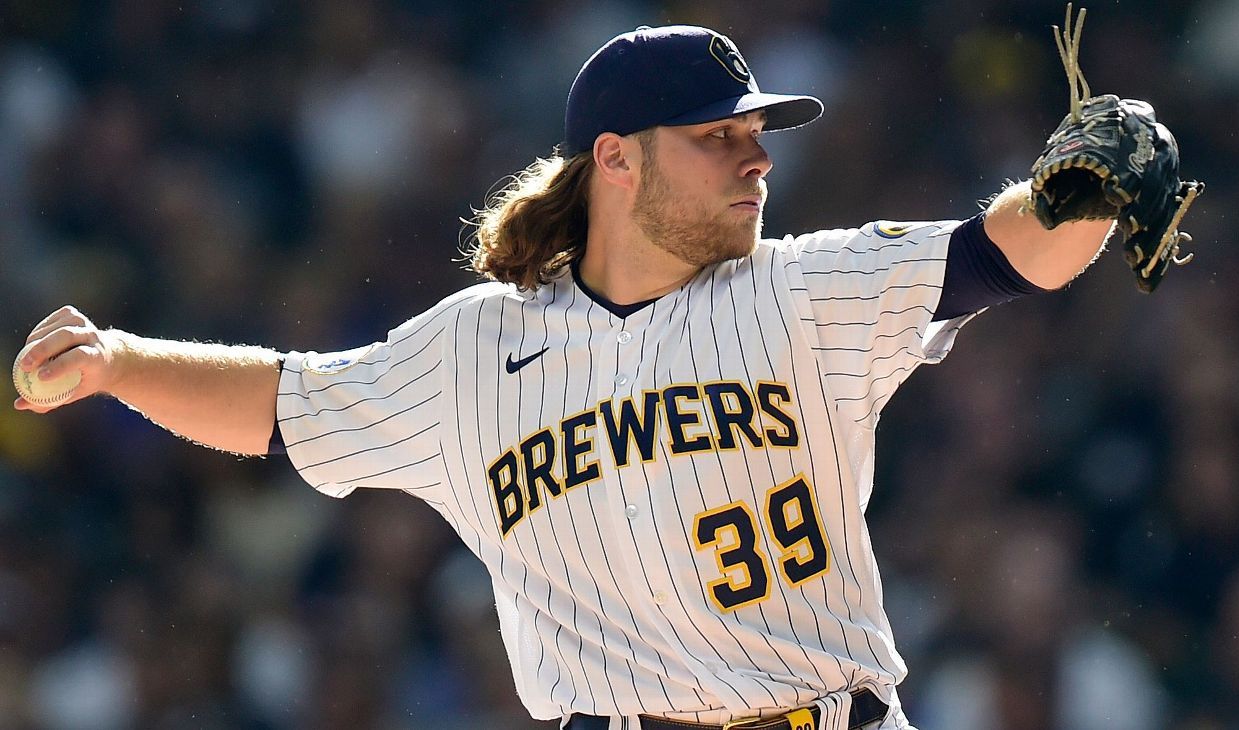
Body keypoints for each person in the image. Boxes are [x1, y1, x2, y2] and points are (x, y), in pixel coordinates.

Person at [16, 25, 1121, 730]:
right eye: (719, 137)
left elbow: (1006, 253)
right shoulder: (471, 351)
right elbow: (279, 403)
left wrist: (1095, 183)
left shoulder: (803, 288)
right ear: (615, 158)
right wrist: (118, 365)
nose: (759, 159)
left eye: (757, 134)